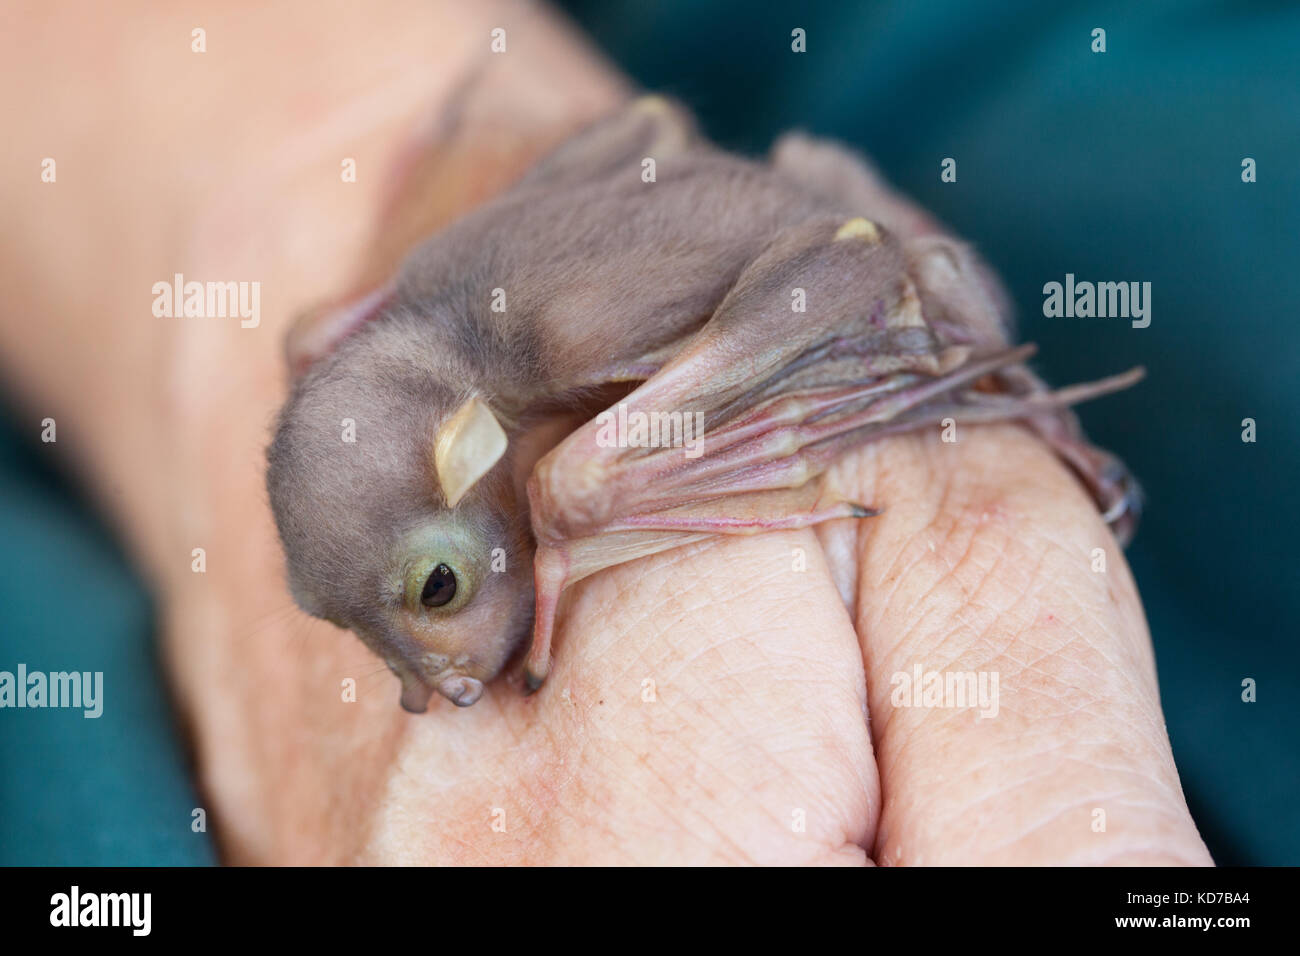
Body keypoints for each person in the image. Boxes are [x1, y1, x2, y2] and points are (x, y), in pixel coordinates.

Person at [0, 0, 1209, 864]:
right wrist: (317, 180)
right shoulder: (406, 315)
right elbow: (639, 143)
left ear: (470, 451)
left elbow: (844, 261)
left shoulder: (551, 373)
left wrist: (598, 472)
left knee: (588, 477)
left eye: (434, 591)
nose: (434, 688)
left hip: (859, 272)